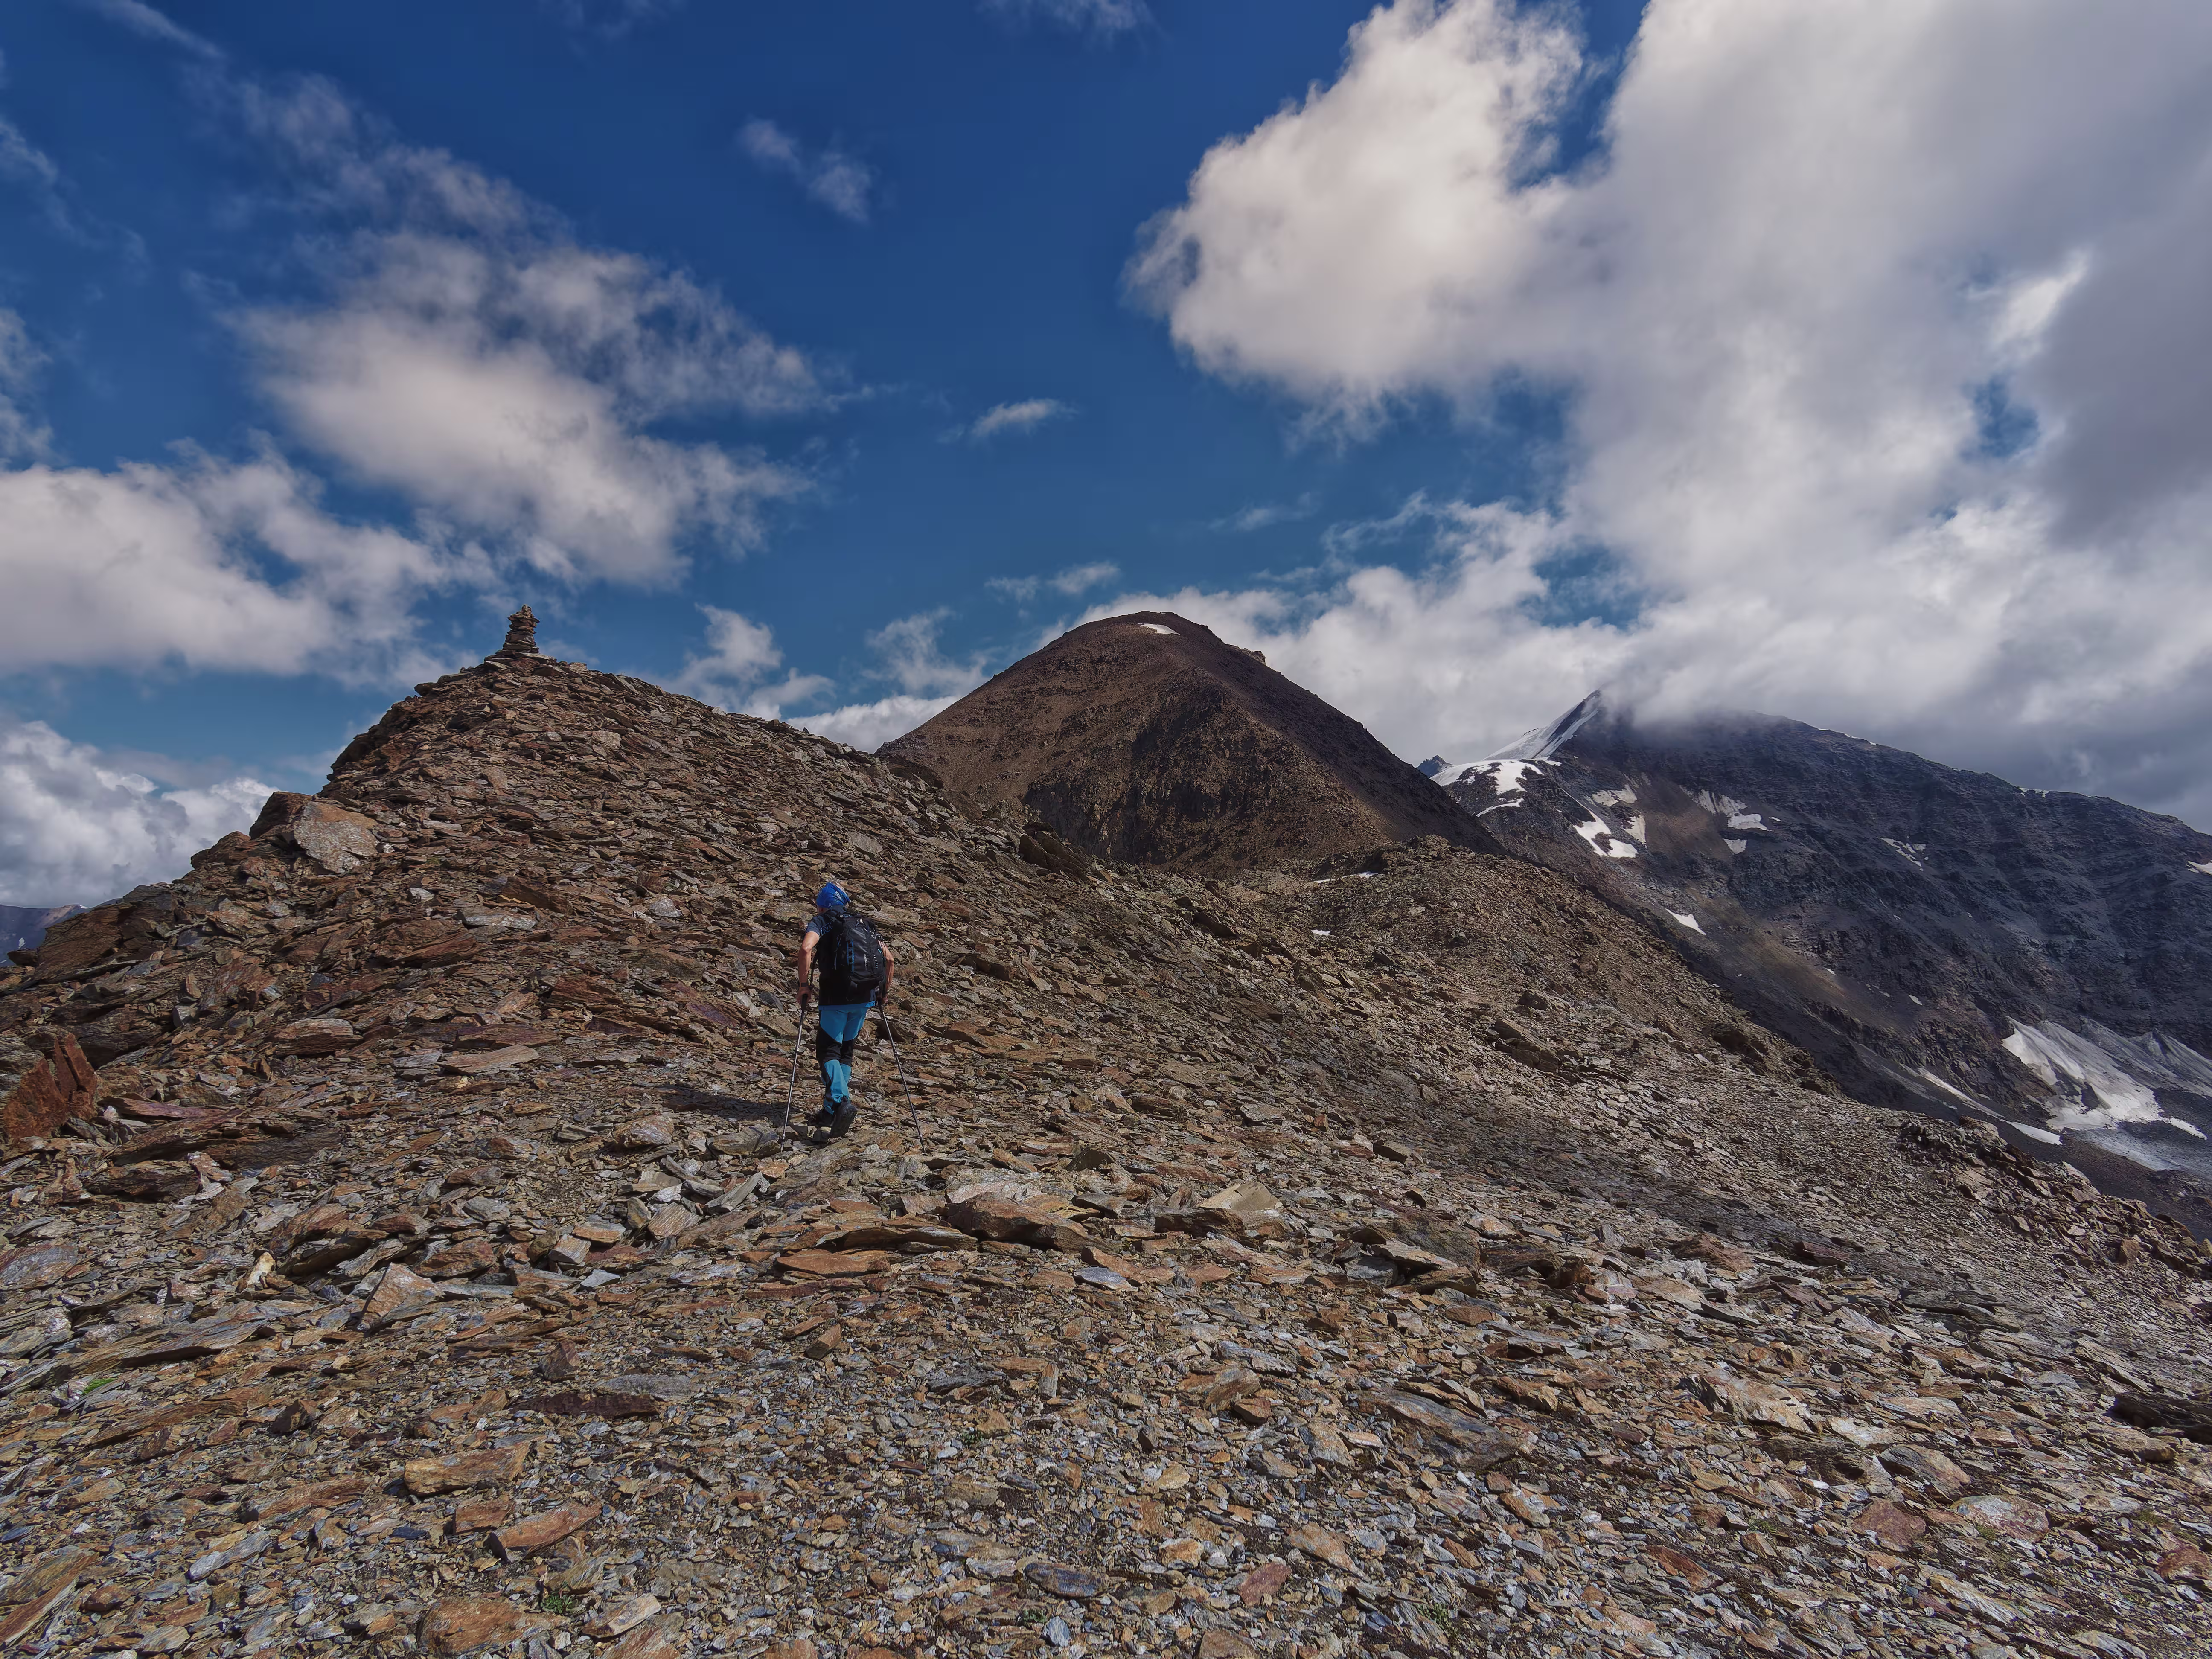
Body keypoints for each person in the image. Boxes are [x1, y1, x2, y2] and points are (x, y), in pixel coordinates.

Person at [794, 880, 894, 1137]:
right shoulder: (866, 924)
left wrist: (804, 985)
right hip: (865, 996)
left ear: (822, 905)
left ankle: (841, 1101)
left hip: (836, 998)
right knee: (846, 1052)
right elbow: (890, 960)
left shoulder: (823, 922)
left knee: (828, 1052)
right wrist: (882, 995)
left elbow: (806, 949)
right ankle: (830, 1109)